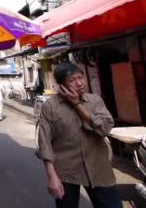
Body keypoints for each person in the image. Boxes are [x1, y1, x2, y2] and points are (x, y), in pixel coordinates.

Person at [36, 63, 121, 208]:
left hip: (98, 168)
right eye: (72, 80)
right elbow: (44, 144)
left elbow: (105, 129)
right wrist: (52, 177)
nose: (79, 83)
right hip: (65, 171)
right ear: (61, 85)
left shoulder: (95, 101)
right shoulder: (50, 106)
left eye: (81, 78)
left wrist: (77, 105)